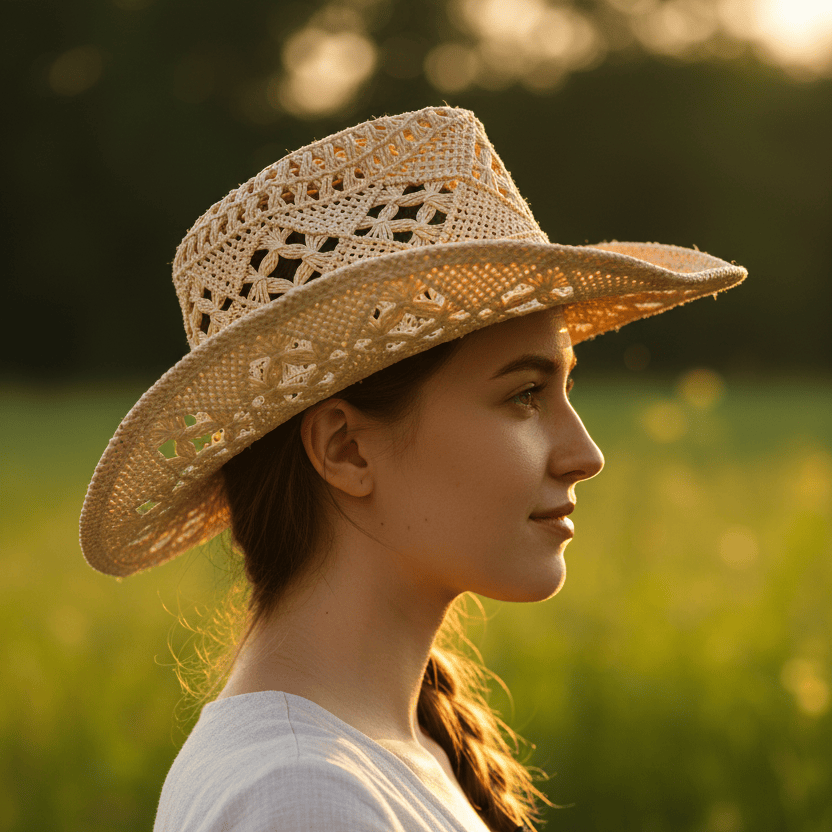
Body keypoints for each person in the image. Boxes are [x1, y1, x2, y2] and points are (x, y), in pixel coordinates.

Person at [80, 106, 746, 832]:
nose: (585, 455)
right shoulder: (303, 798)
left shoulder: (383, 754)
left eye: (564, 389)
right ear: (346, 450)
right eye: (524, 395)